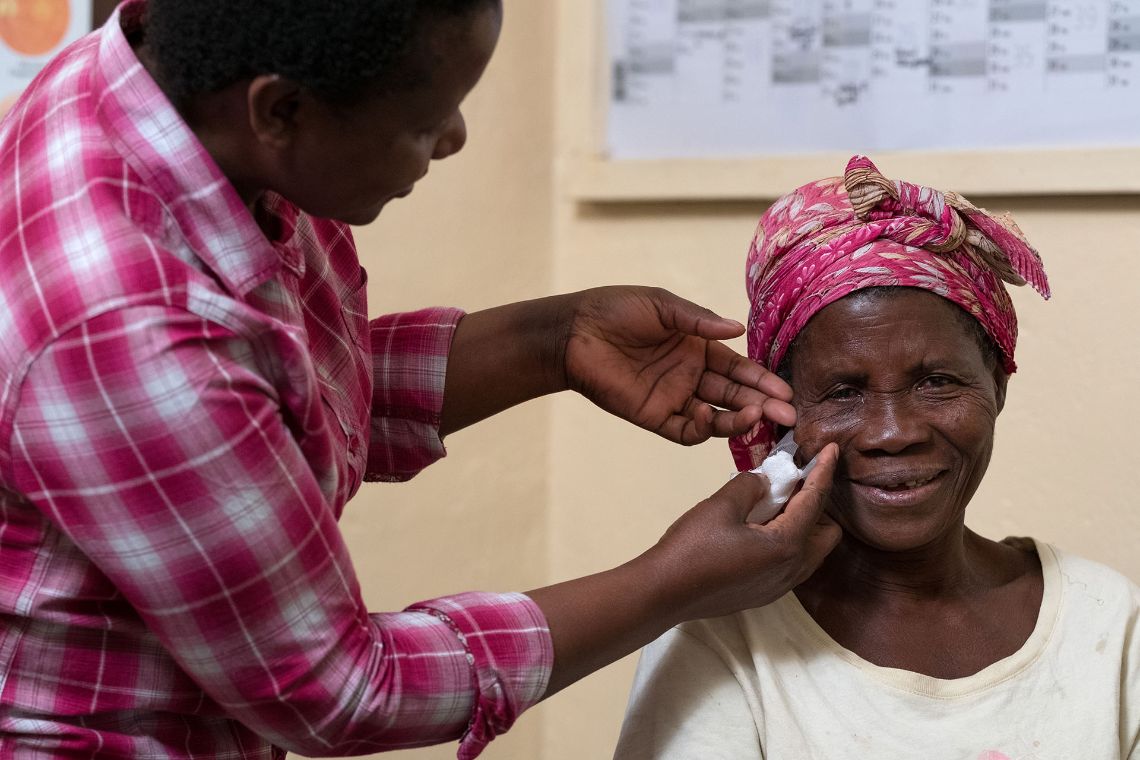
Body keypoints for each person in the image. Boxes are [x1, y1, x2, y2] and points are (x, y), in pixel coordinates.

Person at [0, 1, 846, 757]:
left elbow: (267, 396)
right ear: (280, 109)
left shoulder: (155, 81)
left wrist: (554, 338)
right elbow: (335, 691)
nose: (454, 140)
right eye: (426, 119)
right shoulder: (126, 323)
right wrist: (672, 582)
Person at [614, 156, 1140, 759]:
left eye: (937, 381)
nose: (894, 432)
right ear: (780, 408)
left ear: (998, 382)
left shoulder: (1105, 624)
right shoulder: (723, 635)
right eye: (843, 392)